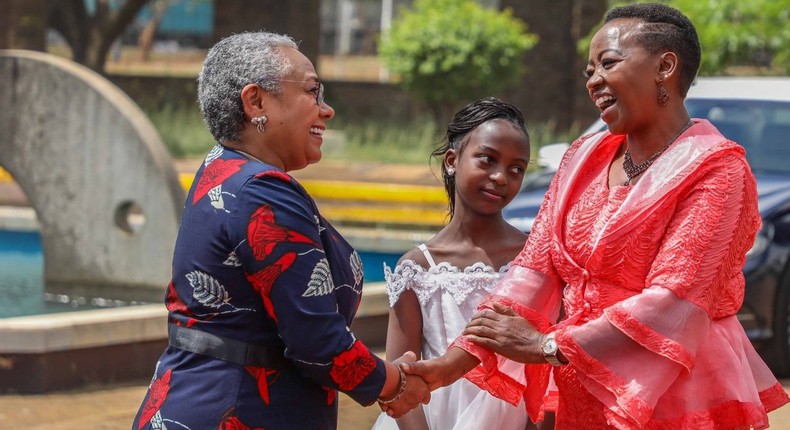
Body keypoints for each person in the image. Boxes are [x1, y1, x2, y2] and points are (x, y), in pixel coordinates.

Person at [402, 3, 790, 429]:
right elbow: (533, 272)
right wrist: (451, 365)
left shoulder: (717, 170)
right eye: (589, 70)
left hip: (677, 395)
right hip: (581, 387)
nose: (593, 80)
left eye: (607, 62)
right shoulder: (583, 158)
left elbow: (674, 302)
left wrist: (548, 345)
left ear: (665, 66)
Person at [131, 31, 429, 430]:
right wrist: (392, 382)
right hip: (236, 411)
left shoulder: (221, 170)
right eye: (312, 91)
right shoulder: (262, 189)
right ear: (256, 101)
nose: (327, 110)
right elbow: (317, 341)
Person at [372, 97, 533, 430]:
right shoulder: (416, 267)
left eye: (516, 169)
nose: (501, 176)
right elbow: (402, 375)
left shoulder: (532, 258)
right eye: (487, 159)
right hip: (432, 419)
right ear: (452, 160)